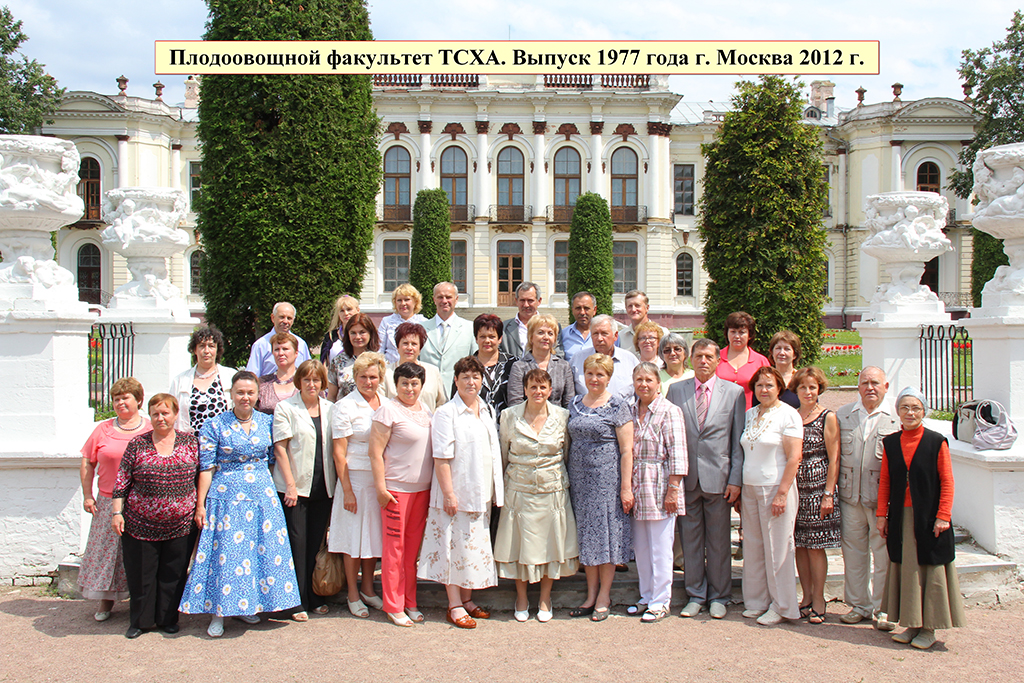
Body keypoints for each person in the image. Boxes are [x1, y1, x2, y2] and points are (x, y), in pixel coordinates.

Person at [180, 371, 301, 638]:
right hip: (226, 497)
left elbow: (273, 458)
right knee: (227, 554)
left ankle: (248, 604)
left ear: (258, 395)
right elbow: (207, 467)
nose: (245, 397)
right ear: (231, 395)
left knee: (257, 551)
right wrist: (200, 505)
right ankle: (219, 613)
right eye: (240, 392)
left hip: (260, 495)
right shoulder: (215, 425)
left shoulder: (267, 422)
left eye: (250, 393)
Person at [418, 356, 504, 629]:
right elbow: (441, 457)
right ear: (455, 381)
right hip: (456, 493)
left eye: (476, 377)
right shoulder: (446, 413)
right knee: (452, 550)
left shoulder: (486, 409)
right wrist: (449, 493)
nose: (471, 382)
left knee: (472, 550)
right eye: (465, 377)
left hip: (481, 492)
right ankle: (454, 604)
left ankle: (467, 599)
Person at [877, 387, 966, 649]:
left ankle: (929, 628)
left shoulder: (936, 441)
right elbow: (885, 481)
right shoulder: (891, 443)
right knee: (907, 568)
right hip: (901, 516)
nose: (910, 412)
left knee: (929, 568)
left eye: (915, 407)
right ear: (897, 412)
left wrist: (943, 516)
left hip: (928, 517)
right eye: (904, 407)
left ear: (924, 411)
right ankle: (912, 623)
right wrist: (882, 515)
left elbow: (947, 481)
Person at [667, 339, 745, 620]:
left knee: (719, 542)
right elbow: (670, 436)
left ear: (717, 360)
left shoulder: (734, 393)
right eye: (698, 355)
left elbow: (737, 441)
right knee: (690, 540)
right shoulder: (676, 391)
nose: (703, 361)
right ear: (691, 357)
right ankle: (695, 594)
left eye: (709, 356)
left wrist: (735, 479)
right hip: (687, 478)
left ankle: (720, 596)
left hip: (719, 478)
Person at [494, 368, 579, 623]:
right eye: (533, 387)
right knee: (520, 543)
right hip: (519, 490)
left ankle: (544, 597)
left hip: (552, 490)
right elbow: (503, 454)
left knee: (551, 543)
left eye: (543, 387)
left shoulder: (563, 416)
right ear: (525, 389)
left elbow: (566, 453)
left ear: (550, 390)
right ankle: (521, 597)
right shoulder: (508, 416)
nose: (538, 392)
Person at [111, 394, 198, 638]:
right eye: (156, 413)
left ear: (175, 414)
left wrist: (200, 508)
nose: (160, 418)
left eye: (165, 413)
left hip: (181, 524)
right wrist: (117, 512)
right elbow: (122, 481)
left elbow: (202, 476)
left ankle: (168, 619)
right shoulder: (137, 444)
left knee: (174, 573)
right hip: (139, 524)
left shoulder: (191, 443)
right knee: (142, 575)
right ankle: (140, 622)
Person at [566, 354, 634, 622]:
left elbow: (627, 450)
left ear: (608, 378)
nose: (594, 379)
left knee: (606, 538)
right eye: (590, 374)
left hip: (607, 480)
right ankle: (590, 595)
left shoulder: (618, 405)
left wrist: (626, 487)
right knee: (587, 539)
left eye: (600, 375)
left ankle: (604, 595)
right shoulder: (574, 404)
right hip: (579, 481)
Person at [78, 378, 151, 622]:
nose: (120, 402)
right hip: (109, 500)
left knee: (141, 553)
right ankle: (105, 600)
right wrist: (88, 495)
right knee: (108, 552)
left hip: (141, 501)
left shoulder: (150, 429)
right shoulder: (103, 429)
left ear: (139, 400)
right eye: (116, 398)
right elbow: (88, 462)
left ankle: (140, 601)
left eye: (126, 397)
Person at [368, 362, 434, 627]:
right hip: (396, 491)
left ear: (421, 385)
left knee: (411, 552)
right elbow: (375, 452)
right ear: (396, 385)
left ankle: (410, 601)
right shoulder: (387, 410)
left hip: (422, 491)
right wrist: (381, 488)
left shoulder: (426, 410)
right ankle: (393, 604)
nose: (410, 388)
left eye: (415, 383)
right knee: (394, 550)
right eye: (404, 383)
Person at [835, 366, 900, 630]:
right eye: (864, 383)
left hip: (880, 501)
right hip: (850, 497)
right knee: (853, 553)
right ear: (858, 386)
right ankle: (859, 605)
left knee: (883, 555)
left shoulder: (896, 418)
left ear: (885, 386)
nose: (869, 388)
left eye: (875, 383)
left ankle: (884, 608)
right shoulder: (844, 415)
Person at [272, 360, 336, 620]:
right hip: (295, 488)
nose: (312, 384)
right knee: (296, 544)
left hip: (323, 487)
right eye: (307, 379)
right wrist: (289, 485)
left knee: (315, 544)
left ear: (323, 383)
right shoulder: (285, 408)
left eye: (317, 380)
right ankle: (296, 601)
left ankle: (314, 596)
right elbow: (280, 448)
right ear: (299, 382)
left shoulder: (331, 409)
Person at [739, 366, 803, 626]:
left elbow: (794, 457)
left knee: (778, 549)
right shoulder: (750, 414)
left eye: (769, 385)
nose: (764, 390)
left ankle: (783, 605)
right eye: (759, 386)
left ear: (779, 388)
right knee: (753, 547)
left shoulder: (788, 415)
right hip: (750, 488)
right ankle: (756, 601)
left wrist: (782, 493)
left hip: (776, 488)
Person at [329, 353, 387, 618]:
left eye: (373, 377)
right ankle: (352, 592)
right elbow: (338, 453)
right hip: (353, 478)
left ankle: (368, 589)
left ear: (380, 379)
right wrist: (348, 491)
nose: (368, 381)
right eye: (363, 377)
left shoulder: (385, 404)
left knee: (372, 536)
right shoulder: (344, 406)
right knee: (353, 538)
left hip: (378, 480)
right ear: (355, 378)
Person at [629, 363, 687, 622]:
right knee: (641, 548)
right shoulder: (630, 410)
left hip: (661, 484)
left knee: (661, 547)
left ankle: (662, 600)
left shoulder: (669, 411)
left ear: (658, 383)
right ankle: (646, 595)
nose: (644, 384)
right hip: (636, 485)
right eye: (639, 379)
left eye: (649, 379)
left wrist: (673, 490)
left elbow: (677, 453)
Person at [791, 366, 841, 624]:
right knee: (799, 545)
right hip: (795, 489)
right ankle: (806, 596)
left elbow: (834, 458)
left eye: (812, 387)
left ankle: (820, 598)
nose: (808, 391)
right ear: (796, 390)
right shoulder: (791, 415)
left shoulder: (827, 417)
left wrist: (828, 494)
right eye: (803, 387)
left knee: (815, 547)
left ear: (819, 389)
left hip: (818, 489)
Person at [169, 325, 236, 433]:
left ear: (217, 349)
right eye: (201, 346)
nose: (206, 351)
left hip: (223, 444)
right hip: (190, 444)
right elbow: (171, 413)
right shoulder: (180, 381)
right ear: (195, 350)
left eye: (211, 346)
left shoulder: (231, 376)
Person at [506, 314, 575, 409]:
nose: (546, 337)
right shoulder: (519, 367)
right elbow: (515, 403)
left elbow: (569, 402)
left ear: (555, 339)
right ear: (531, 336)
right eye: (541, 332)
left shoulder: (564, 366)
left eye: (550, 333)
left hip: (558, 421)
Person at [419, 281, 477, 390]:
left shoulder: (470, 328)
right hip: (427, 391)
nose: (444, 301)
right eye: (440, 297)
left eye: (448, 297)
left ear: (456, 299)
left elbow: (475, 363)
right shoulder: (420, 329)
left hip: (458, 391)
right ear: (434, 300)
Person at [570, 314, 639, 399]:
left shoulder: (630, 361)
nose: (599, 338)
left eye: (604, 333)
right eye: (595, 334)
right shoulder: (578, 359)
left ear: (616, 336)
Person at [384, 322, 448, 411]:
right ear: (397, 347)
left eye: (414, 344)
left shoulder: (433, 371)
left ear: (420, 349)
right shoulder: (386, 373)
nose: (409, 348)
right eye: (405, 343)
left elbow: (442, 403)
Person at [716, 311, 770, 410]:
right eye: (733, 331)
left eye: (742, 332)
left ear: (750, 335)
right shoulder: (715, 358)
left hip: (751, 415)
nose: (737, 336)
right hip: (720, 415)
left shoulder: (761, 361)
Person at [246, 302, 311, 376]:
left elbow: (308, 372)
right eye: (281, 317)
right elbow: (252, 375)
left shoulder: (301, 344)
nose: (285, 321)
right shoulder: (261, 345)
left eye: (289, 318)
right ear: (273, 318)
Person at [326, 312, 380, 401]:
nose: (358, 337)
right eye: (353, 333)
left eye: (362, 332)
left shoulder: (379, 361)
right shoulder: (338, 362)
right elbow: (331, 396)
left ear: (370, 334)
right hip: (344, 412)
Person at [500, 282, 562, 359]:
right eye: (522, 300)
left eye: (530, 300)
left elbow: (558, 354)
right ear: (516, 301)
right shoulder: (503, 328)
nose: (526, 305)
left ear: (539, 301)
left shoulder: (552, 327)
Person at [468, 313, 512, 418]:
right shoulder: (466, 367)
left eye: (492, 337)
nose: (487, 341)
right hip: (475, 425)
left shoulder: (513, 364)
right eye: (482, 336)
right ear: (476, 339)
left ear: (500, 339)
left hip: (506, 425)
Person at [377, 284, 428, 365]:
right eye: (399, 300)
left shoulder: (424, 322)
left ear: (415, 302)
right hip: (391, 368)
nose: (403, 303)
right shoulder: (386, 321)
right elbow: (380, 349)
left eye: (407, 299)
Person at [256, 332, 299, 415]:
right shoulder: (262, 384)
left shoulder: (306, 381)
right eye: (276, 349)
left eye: (285, 349)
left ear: (296, 353)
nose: (280, 353)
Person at [319, 294, 360, 365]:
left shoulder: (365, 334)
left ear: (358, 310)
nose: (346, 313)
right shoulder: (330, 337)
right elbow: (323, 363)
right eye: (342, 311)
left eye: (349, 309)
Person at [768, 330, 801, 409]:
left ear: (795, 355)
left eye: (787, 349)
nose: (782, 353)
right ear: (772, 352)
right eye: (778, 348)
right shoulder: (765, 379)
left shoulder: (801, 379)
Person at [561, 291, 597, 364]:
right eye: (578, 308)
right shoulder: (563, 335)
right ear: (572, 310)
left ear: (594, 310)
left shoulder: (604, 336)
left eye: (586, 308)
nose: (582, 312)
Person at [658, 332, 694, 397]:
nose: (672, 353)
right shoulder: (657, 377)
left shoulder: (694, 375)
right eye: (667, 350)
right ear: (661, 354)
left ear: (685, 352)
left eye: (677, 349)